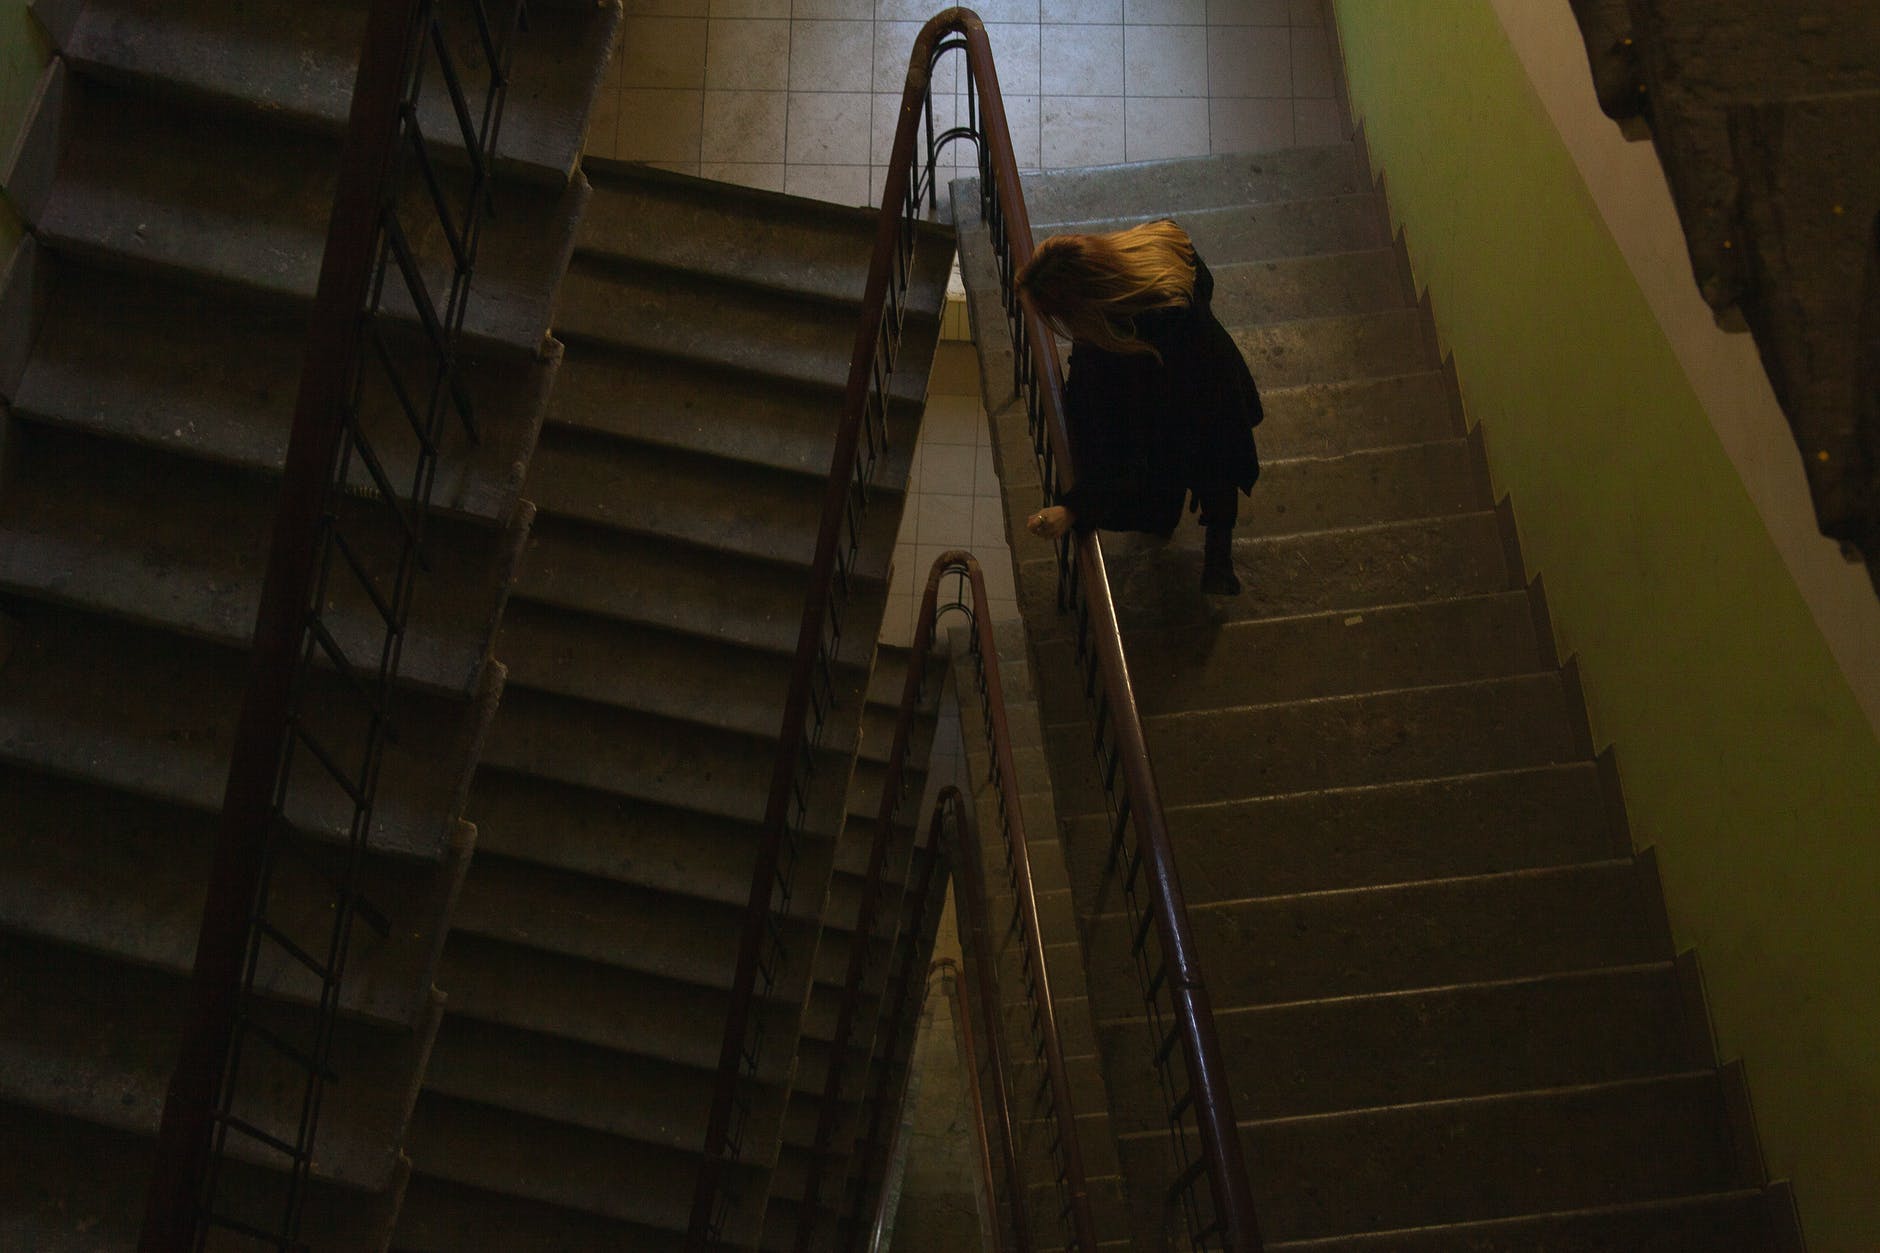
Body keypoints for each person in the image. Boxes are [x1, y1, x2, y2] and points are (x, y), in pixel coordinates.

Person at [1014, 219, 1262, 596]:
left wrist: (1073, 508)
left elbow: (1112, 448)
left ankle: (1183, 536)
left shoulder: (1112, 351)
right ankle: (1217, 557)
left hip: (1177, 416)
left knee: (1175, 480)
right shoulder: (1164, 243)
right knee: (1220, 470)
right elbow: (1205, 285)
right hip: (1218, 385)